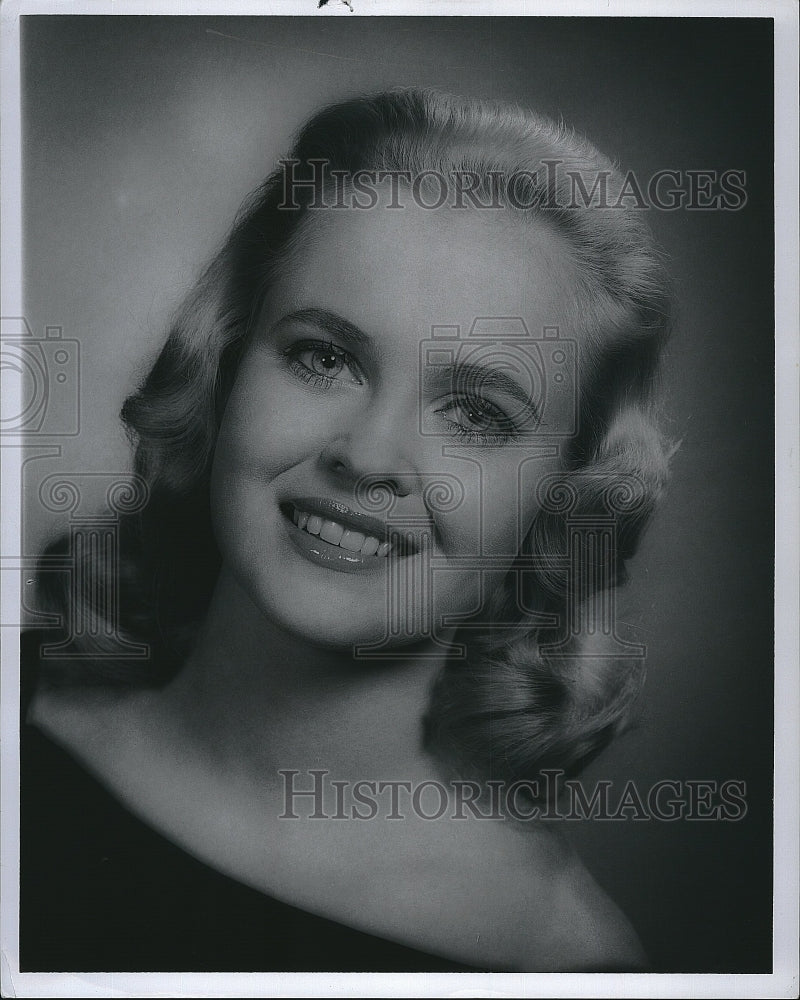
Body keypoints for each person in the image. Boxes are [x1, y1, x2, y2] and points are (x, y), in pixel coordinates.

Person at [20, 88, 673, 973]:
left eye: (475, 414)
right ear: (223, 369)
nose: (368, 455)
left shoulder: (554, 961)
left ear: (565, 496)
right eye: (324, 358)